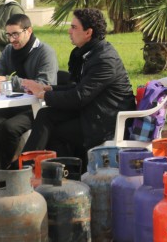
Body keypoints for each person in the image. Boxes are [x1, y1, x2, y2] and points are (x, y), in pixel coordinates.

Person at [21, 8, 136, 161]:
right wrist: (48, 88)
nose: (69, 31)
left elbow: (79, 97)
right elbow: (79, 87)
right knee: (45, 115)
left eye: (74, 27)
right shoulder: (91, 53)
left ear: (88, 32)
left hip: (106, 122)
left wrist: (43, 95)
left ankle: (32, 170)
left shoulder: (104, 59)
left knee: (53, 130)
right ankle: (30, 168)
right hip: (93, 112)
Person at [0, 14, 58, 172]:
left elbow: (44, 85)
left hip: (37, 107)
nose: (11, 39)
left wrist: (8, 81)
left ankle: (6, 170)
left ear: (29, 31)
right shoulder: (9, 50)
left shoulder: (45, 52)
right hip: (13, 103)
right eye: (8, 35)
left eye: (15, 34)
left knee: (9, 128)